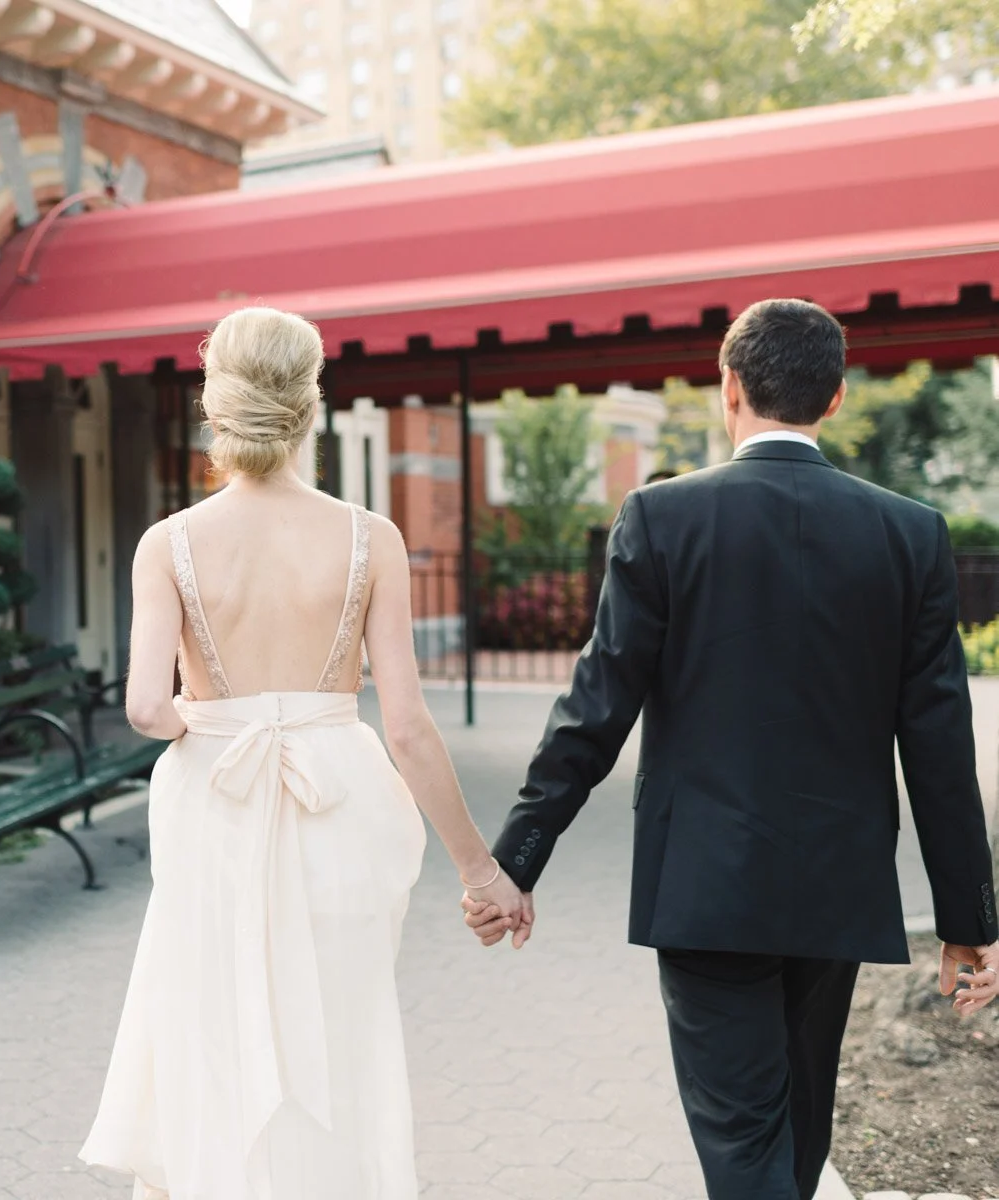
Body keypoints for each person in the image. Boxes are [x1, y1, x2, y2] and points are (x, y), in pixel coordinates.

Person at [466, 298, 999, 1198]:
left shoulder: (663, 517)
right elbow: (941, 743)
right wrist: (969, 923)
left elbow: (595, 710)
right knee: (794, 1135)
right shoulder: (910, 533)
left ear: (729, 387)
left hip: (705, 884)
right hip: (838, 883)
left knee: (747, 1146)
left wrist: (518, 858)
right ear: (834, 401)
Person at [81, 306, 523, 1200]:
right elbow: (406, 729)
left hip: (214, 799)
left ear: (218, 407)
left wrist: (202, 720)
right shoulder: (373, 540)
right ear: (310, 405)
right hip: (340, 805)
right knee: (338, 1032)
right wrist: (483, 871)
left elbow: (142, 708)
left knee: (213, 1026)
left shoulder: (168, 544)